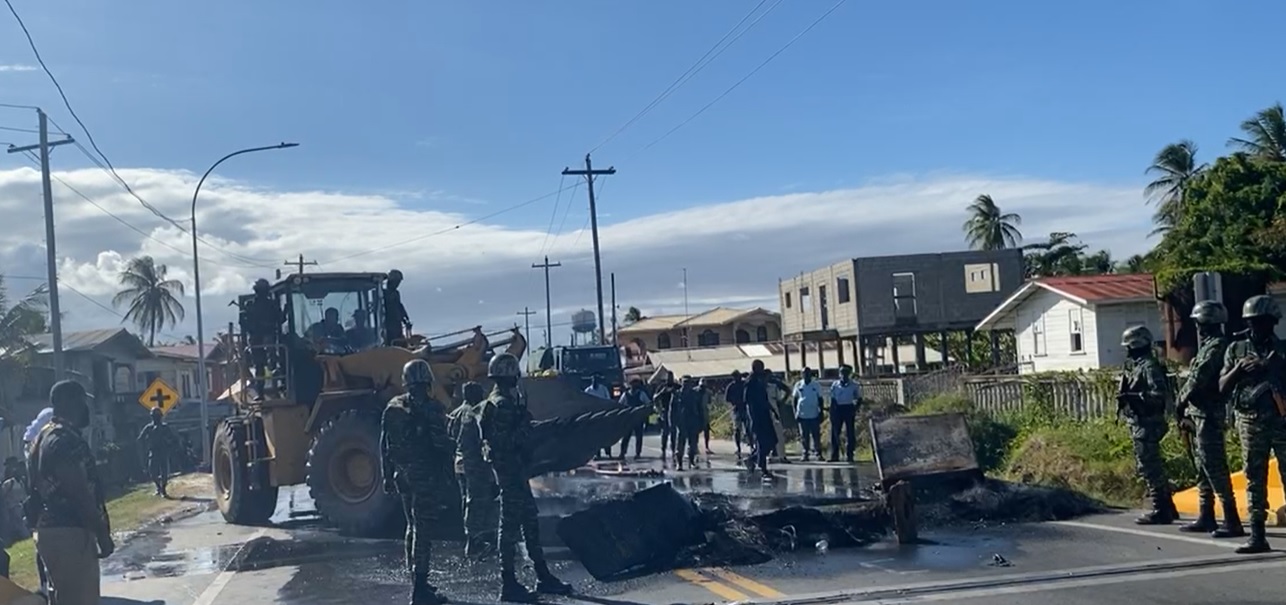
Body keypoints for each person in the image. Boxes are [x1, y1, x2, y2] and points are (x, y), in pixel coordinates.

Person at [478, 353, 573, 603]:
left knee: (531, 523)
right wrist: (526, 427)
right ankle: (508, 583)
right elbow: (502, 443)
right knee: (508, 529)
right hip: (509, 475)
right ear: (509, 375)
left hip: (517, 473)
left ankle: (543, 576)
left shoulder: (508, 401)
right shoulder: (501, 405)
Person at [29, 380, 113, 605]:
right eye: (81, 401)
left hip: (53, 530)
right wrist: (102, 534)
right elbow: (79, 492)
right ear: (66, 403)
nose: (85, 408)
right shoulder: (62, 440)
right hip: (70, 534)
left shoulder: (44, 437)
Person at [380, 359, 454, 605]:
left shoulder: (392, 407)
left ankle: (417, 581)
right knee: (423, 531)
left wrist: (386, 476)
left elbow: (384, 445)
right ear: (427, 381)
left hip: (402, 476)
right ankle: (420, 591)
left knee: (411, 527)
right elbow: (440, 443)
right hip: (424, 477)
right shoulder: (432, 408)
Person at [1219, 295, 1286, 554]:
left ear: (1273, 323)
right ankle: (1257, 535)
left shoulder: (1282, 351)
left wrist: (1270, 366)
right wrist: (1239, 370)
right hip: (1250, 422)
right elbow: (1222, 387)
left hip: (1281, 422)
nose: (1256, 328)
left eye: (1262, 323)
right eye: (1252, 323)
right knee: (1253, 478)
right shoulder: (1235, 350)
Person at [1175, 301, 1243, 539]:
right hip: (1199, 413)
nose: (1198, 327)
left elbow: (1198, 379)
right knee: (1202, 466)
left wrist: (1180, 402)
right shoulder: (1207, 346)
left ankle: (1232, 519)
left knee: (1214, 466)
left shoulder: (1216, 347)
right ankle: (1206, 514)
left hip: (1208, 415)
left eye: (1200, 322)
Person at [1117, 325, 1176, 525]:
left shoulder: (1149, 366)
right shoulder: (1137, 365)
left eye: (1129, 346)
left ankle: (1160, 509)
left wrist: (1135, 398)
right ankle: (1168, 507)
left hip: (1149, 422)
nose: (1127, 350)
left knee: (1150, 467)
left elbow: (1158, 395)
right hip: (1140, 421)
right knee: (1150, 465)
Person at [447, 381, 498, 560]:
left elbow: (450, 437)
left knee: (466, 500)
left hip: (459, 464)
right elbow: (483, 440)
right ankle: (475, 541)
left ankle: (473, 537)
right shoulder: (476, 412)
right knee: (477, 501)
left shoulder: (456, 413)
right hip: (475, 464)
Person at [21, 408, 51, 597]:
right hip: (45, 503)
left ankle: (45, 585)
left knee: (41, 545)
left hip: (40, 502)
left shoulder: (32, 446)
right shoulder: (49, 437)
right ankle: (45, 585)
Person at [240, 278, 285, 400]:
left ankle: (268, 391)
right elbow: (281, 319)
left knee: (266, 365)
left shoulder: (257, 305)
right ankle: (265, 392)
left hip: (262, 339)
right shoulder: (269, 305)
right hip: (260, 339)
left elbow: (280, 319)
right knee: (266, 365)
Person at [744, 360, 781, 477]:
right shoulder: (750, 382)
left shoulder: (761, 380)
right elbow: (748, 401)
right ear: (755, 368)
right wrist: (752, 418)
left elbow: (764, 399)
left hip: (765, 414)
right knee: (761, 442)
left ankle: (753, 459)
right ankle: (763, 468)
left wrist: (773, 411)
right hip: (756, 416)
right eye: (760, 367)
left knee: (772, 441)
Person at [136, 407, 179, 498]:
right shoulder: (149, 427)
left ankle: (163, 489)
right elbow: (140, 439)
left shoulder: (165, 427)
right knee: (152, 472)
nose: (156, 418)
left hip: (163, 451)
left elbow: (173, 438)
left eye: (157, 416)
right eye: (154, 416)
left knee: (164, 472)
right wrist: (146, 445)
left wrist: (168, 443)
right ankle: (158, 487)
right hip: (153, 451)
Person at [828, 365, 861, 463]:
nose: (844, 375)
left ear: (849, 374)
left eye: (846, 373)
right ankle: (835, 455)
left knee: (850, 432)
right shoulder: (835, 385)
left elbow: (859, 398)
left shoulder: (854, 385)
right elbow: (832, 399)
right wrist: (832, 411)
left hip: (848, 407)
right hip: (837, 408)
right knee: (835, 432)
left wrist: (855, 409)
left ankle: (850, 454)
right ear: (839, 374)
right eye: (842, 373)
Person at [671, 376, 704, 470]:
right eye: (684, 382)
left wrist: (702, 422)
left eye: (688, 382)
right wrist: (672, 422)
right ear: (681, 383)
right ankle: (679, 464)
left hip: (693, 421)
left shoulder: (695, 394)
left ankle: (692, 461)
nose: (686, 384)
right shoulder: (677, 394)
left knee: (693, 444)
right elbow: (672, 409)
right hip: (681, 422)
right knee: (680, 444)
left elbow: (700, 408)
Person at [792, 368, 824, 461]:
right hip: (802, 414)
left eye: (808, 373)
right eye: (804, 374)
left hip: (814, 414)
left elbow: (820, 399)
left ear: (811, 374)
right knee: (804, 435)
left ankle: (818, 453)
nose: (806, 375)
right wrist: (795, 413)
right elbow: (794, 400)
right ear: (802, 375)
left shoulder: (816, 385)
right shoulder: (798, 385)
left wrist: (821, 412)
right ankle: (805, 453)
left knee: (816, 435)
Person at [617, 379, 651, 461]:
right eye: (633, 384)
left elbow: (648, 403)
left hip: (638, 418)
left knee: (639, 437)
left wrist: (643, 411)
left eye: (636, 384)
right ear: (630, 385)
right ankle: (622, 453)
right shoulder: (626, 394)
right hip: (629, 418)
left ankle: (637, 453)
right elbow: (620, 404)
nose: (634, 386)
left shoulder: (641, 394)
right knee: (626, 437)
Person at [653, 375, 680, 463]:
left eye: (671, 377)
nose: (670, 379)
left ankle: (673, 450)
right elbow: (655, 398)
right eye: (669, 377)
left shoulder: (676, 386)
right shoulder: (662, 387)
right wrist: (662, 392)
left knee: (674, 432)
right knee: (665, 432)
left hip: (675, 411)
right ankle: (663, 450)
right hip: (665, 411)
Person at [725, 371, 751, 457]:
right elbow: (727, 399)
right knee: (737, 429)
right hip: (736, 410)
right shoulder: (731, 386)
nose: (738, 378)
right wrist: (734, 403)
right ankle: (738, 447)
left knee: (748, 428)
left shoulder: (744, 384)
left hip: (745, 408)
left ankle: (751, 445)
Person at [384, 269, 412, 346]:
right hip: (388, 325)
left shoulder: (396, 293)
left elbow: (399, 306)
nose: (397, 284)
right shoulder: (383, 294)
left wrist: (406, 319)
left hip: (397, 324)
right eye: (396, 282)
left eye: (398, 282)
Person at [697, 378, 713, 455]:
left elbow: (709, 402)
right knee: (696, 432)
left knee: (706, 431)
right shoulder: (695, 392)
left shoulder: (708, 392)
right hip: (696, 413)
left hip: (704, 413)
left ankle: (707, 447)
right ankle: (695, 446)